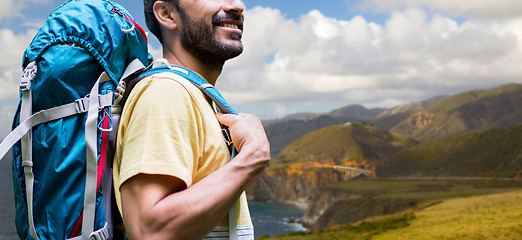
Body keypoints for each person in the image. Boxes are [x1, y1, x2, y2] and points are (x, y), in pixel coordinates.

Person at [112, 0, 270, 239]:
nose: (237, 5)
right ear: (167, 14)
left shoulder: (195, 94)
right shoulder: (166, 91)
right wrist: (251, 159)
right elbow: (148, 231)